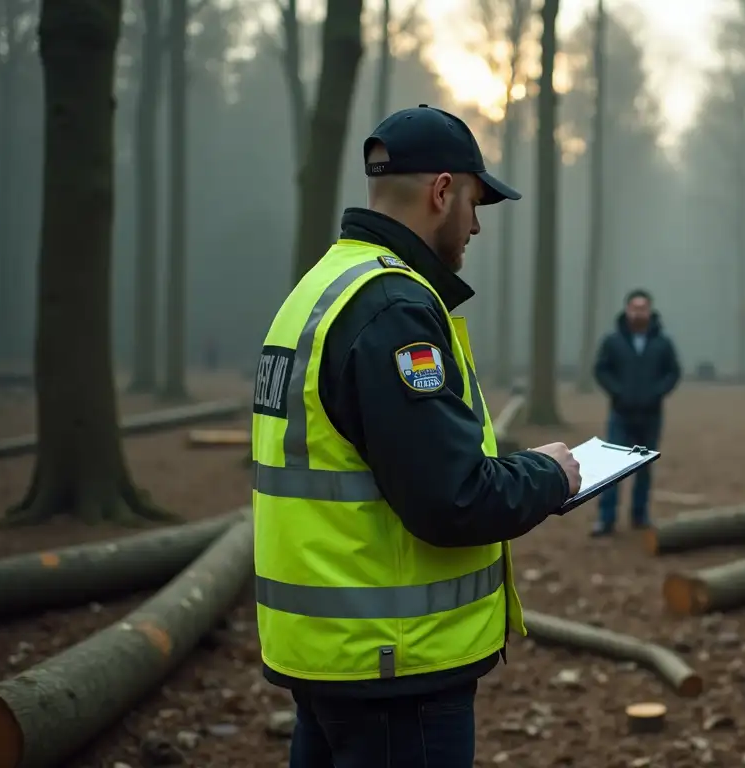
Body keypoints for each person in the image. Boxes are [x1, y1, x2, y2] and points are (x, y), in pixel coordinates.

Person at [249, 104, 583, 768]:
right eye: (475, 201)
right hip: (396, 669)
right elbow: (451, 498)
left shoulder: (320, 288)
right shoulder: (394, 311)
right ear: (441, 192)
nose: (477, 224)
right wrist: (552, 475)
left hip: (326, 657)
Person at [590, 289, 681, 536]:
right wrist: (617, 392)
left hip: (650, 415)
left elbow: (673, 372)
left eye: (643, 308)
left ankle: (640, 517)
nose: (639, 313)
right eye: (635, 308)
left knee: (644, 467)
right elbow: (601, 370)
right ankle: (606, 519)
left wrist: (657, 392)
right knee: (612, 466)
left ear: (650, 311)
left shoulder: (663, 343)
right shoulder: (613, 341)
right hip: (620, 414)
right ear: (627, 310)